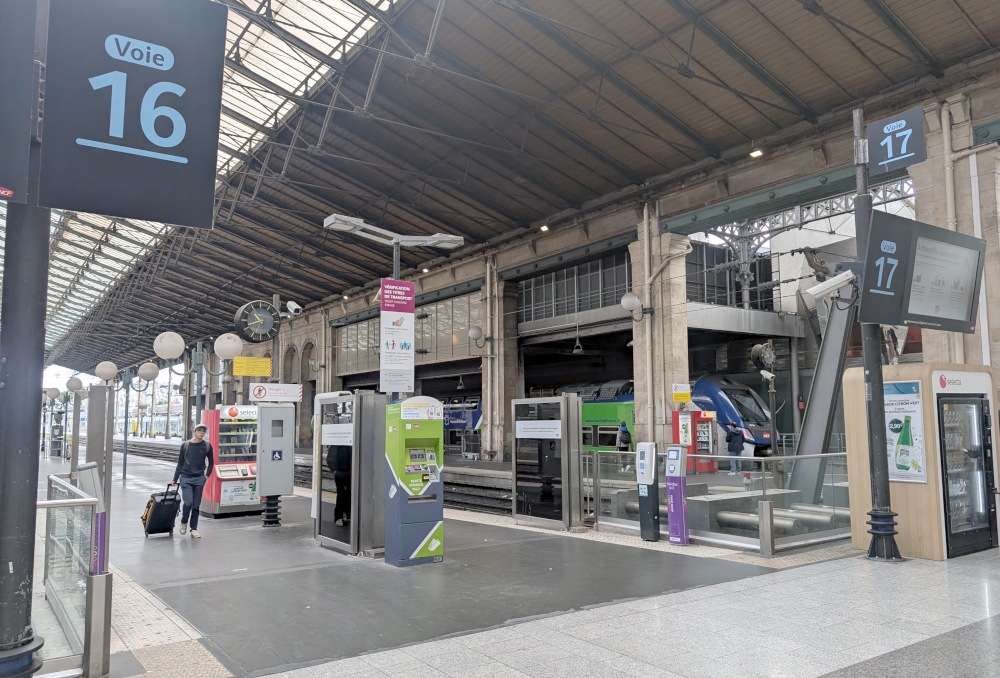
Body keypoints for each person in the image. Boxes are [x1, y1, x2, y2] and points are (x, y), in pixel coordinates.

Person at [170, 424, 214, 538]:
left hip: (199, 478)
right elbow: (180, 463)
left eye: (203, 431)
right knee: (188, 503)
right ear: (194, 432)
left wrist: (207, 476)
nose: (201, 432)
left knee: (196, 505)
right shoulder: (185, 445)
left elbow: (211, 462)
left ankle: (194, 529)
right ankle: (184, 521)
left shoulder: (207, 446)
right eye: (199, 430)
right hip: (186, 478)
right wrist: (175, 479)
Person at [326, 445, 352, 526]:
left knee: (348, 493)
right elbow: (331, 458)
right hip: (341, 471)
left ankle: (345, 514)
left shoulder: (344, 444)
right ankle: (339, 516)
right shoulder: (337, 445)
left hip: (348, 471)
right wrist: (335, 471)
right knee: (342, 494)